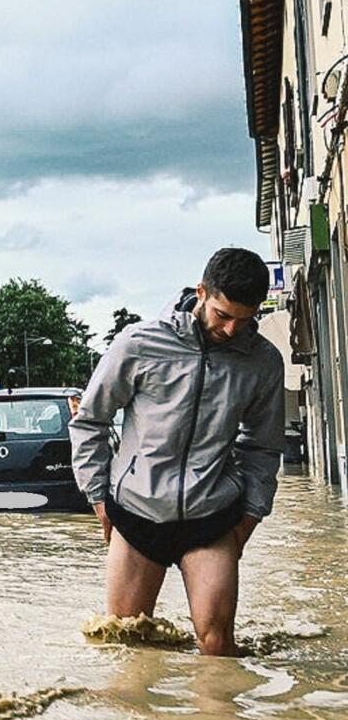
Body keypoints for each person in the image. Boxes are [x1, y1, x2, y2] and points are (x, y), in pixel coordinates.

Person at [69, 248, 285, 657]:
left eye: (246, 319)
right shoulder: (138, 343)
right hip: (136, 515)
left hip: (212, 517)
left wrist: (250, 517)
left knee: (218, 648)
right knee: (127, 647)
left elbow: (262, 446)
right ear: (202, 292)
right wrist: (99, 498)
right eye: (223, 315)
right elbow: (90, 421)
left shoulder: (262, 361)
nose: (233, 329)